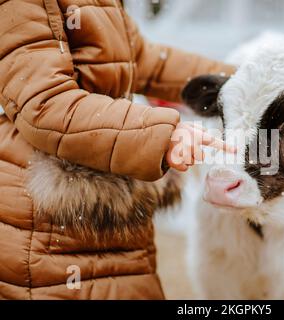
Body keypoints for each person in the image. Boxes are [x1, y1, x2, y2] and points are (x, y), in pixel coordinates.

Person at [0, 0, 235, 299]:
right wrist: (158, 134)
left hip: (118, 190)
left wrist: (244, 80)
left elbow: (147, 62)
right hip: (47, 218)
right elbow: (46, 104)